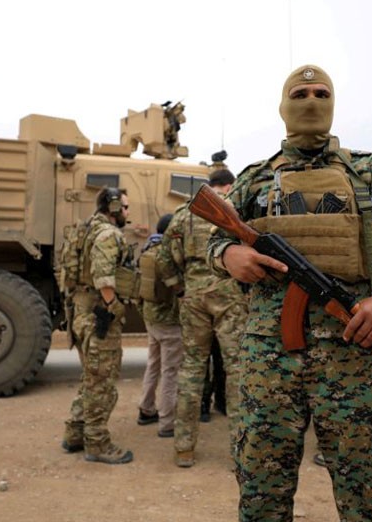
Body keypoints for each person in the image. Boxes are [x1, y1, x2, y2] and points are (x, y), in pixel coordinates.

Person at [207, 64, 372, 522]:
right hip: (270, 360)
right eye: (299, 92)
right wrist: (230, 255)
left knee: (370, 492)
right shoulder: (254, 180)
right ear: (283, 105)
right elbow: (212, 237)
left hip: (354, 355)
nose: (311, 100)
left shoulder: (370, 173)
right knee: (262, 492)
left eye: (321, 92)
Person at [157, 166, 248, 468]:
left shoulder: (183, 214)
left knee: (192, 369)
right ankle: (239, 453)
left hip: (194, 297)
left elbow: (164, 260)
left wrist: (180, 289)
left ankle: (184, 448)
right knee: (236, 370)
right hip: (227, 293)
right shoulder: (232, 211)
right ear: (227, 186)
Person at [62, 187, 137, 465]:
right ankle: (97, 443)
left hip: (80, 312)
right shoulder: (108, 234)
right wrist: (114, 307)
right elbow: (104, 278)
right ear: (115, 208)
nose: (128, 214)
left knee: (90, 377)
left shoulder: (85, 229)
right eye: (125, 208)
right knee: (102, 382)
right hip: (98, 315)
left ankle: (75, 433)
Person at [136, 213, 184, 439]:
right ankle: (166, 422)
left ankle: (146, 409)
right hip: (169, 321)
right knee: (170, 371)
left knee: (153, 363)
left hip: (150, 317)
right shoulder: (168, 255)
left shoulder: (147, 251)